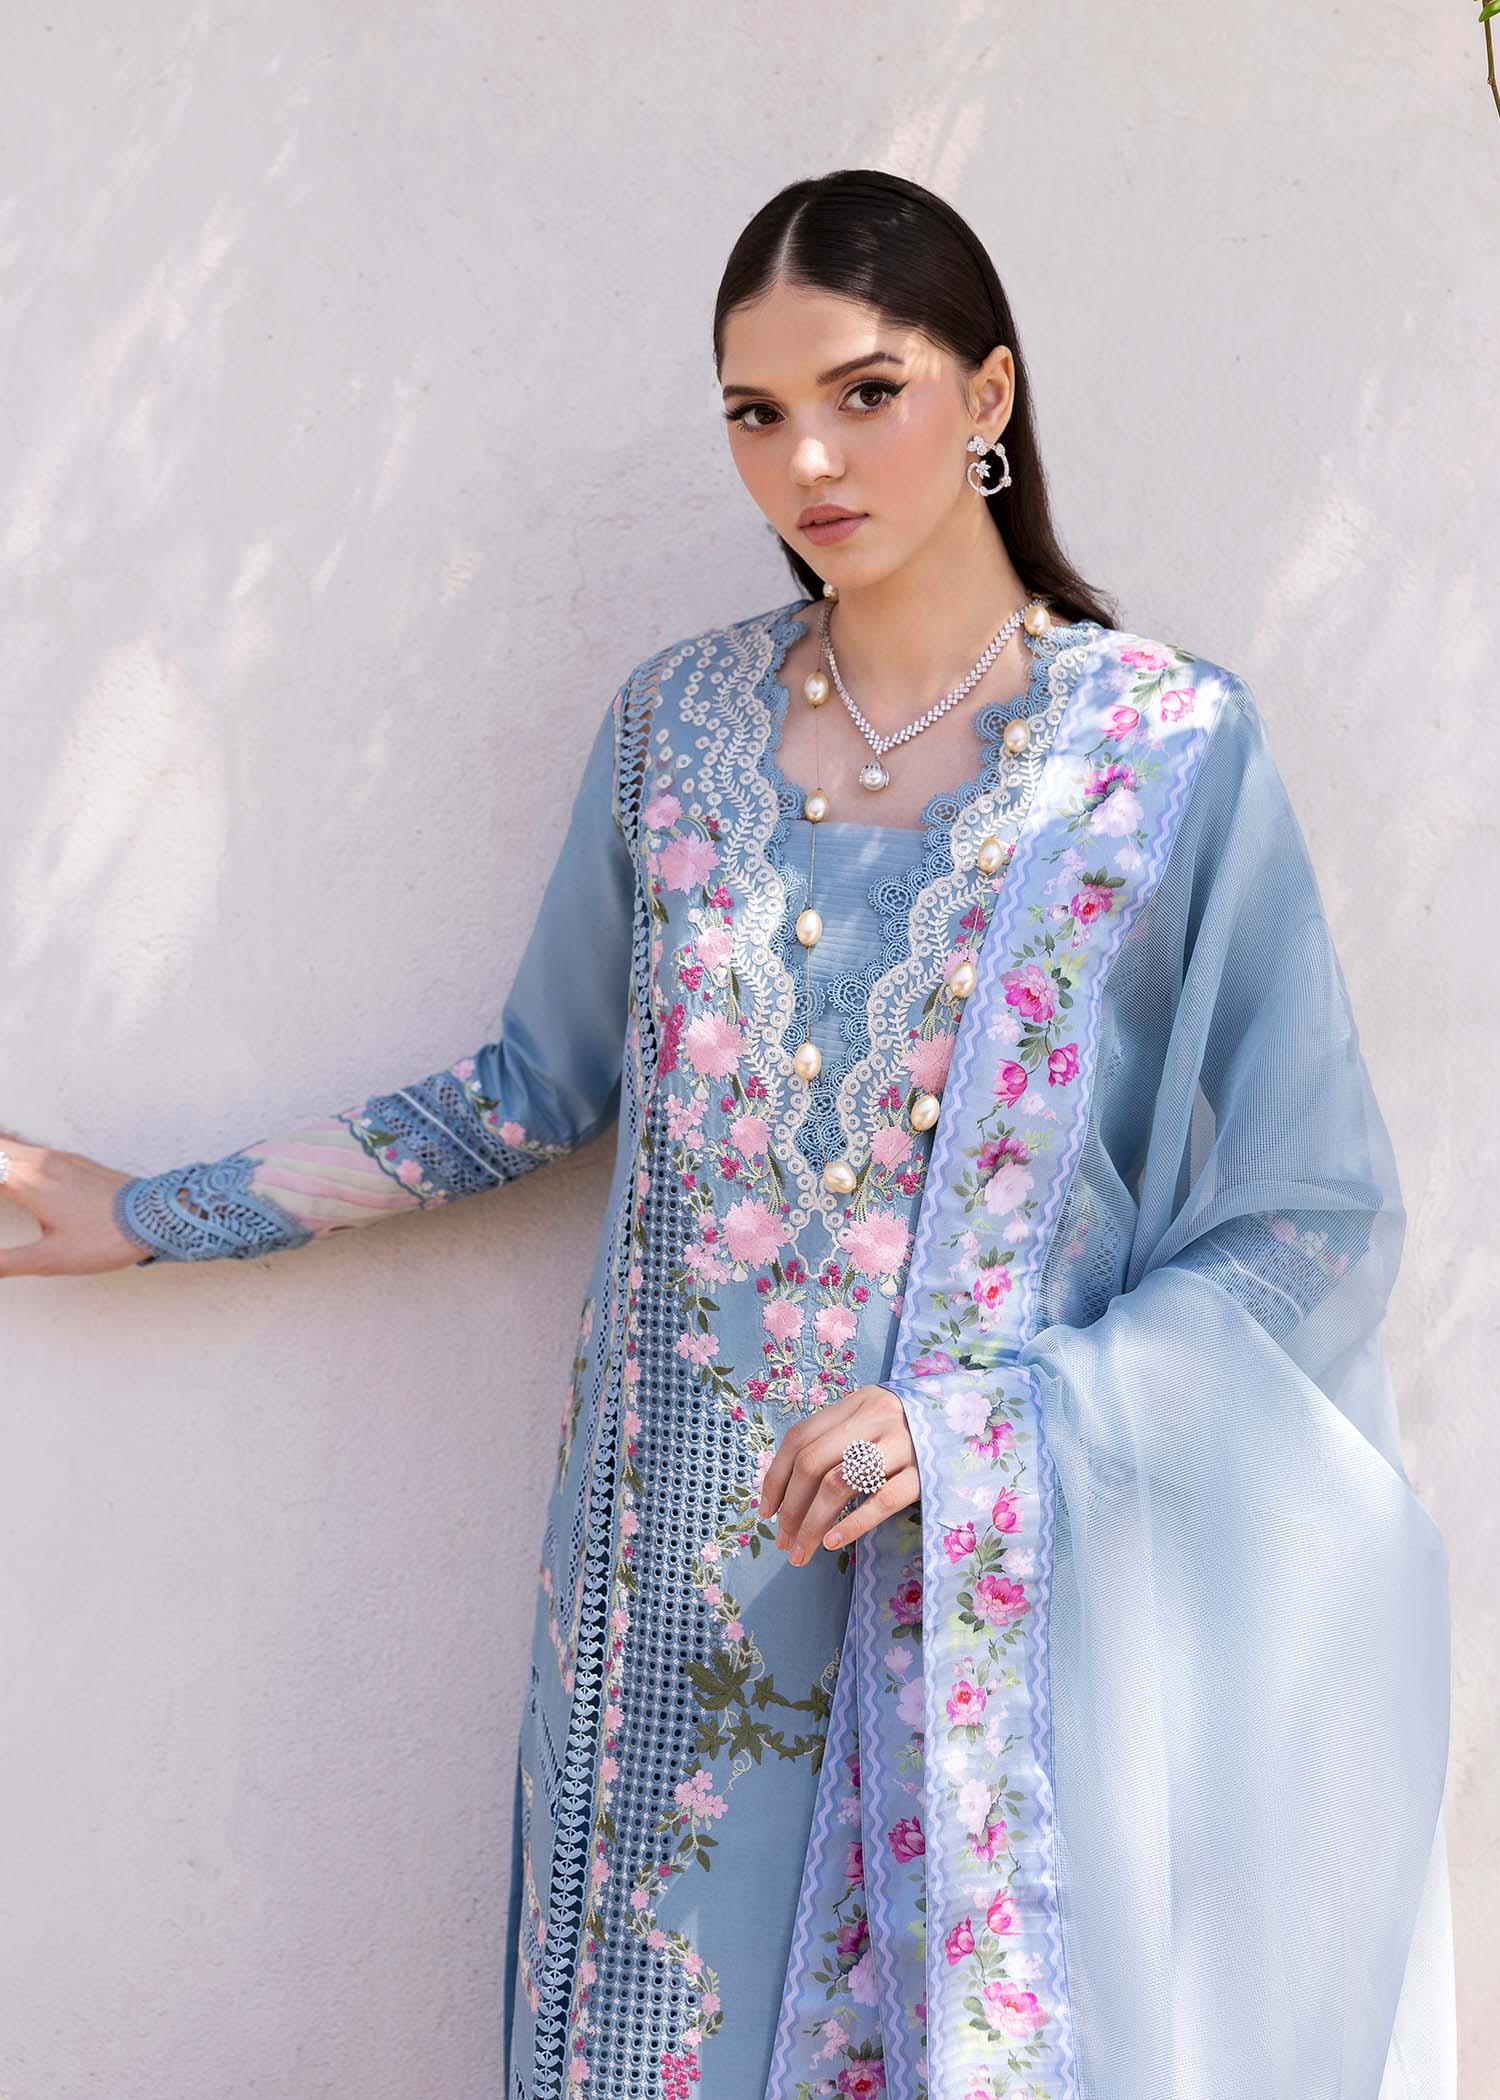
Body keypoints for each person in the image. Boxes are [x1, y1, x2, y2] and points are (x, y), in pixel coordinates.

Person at [0, 169, 1454, 2100]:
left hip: (980, 1608)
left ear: (990, 392)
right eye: (756, 415)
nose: (807, 462)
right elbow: (531, 1089)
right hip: (667, 1615)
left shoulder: (1161, 755)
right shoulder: (674, 728)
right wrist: (152, 1210)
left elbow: (1301, 1222)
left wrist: (981, 1425)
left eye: (866, 393)